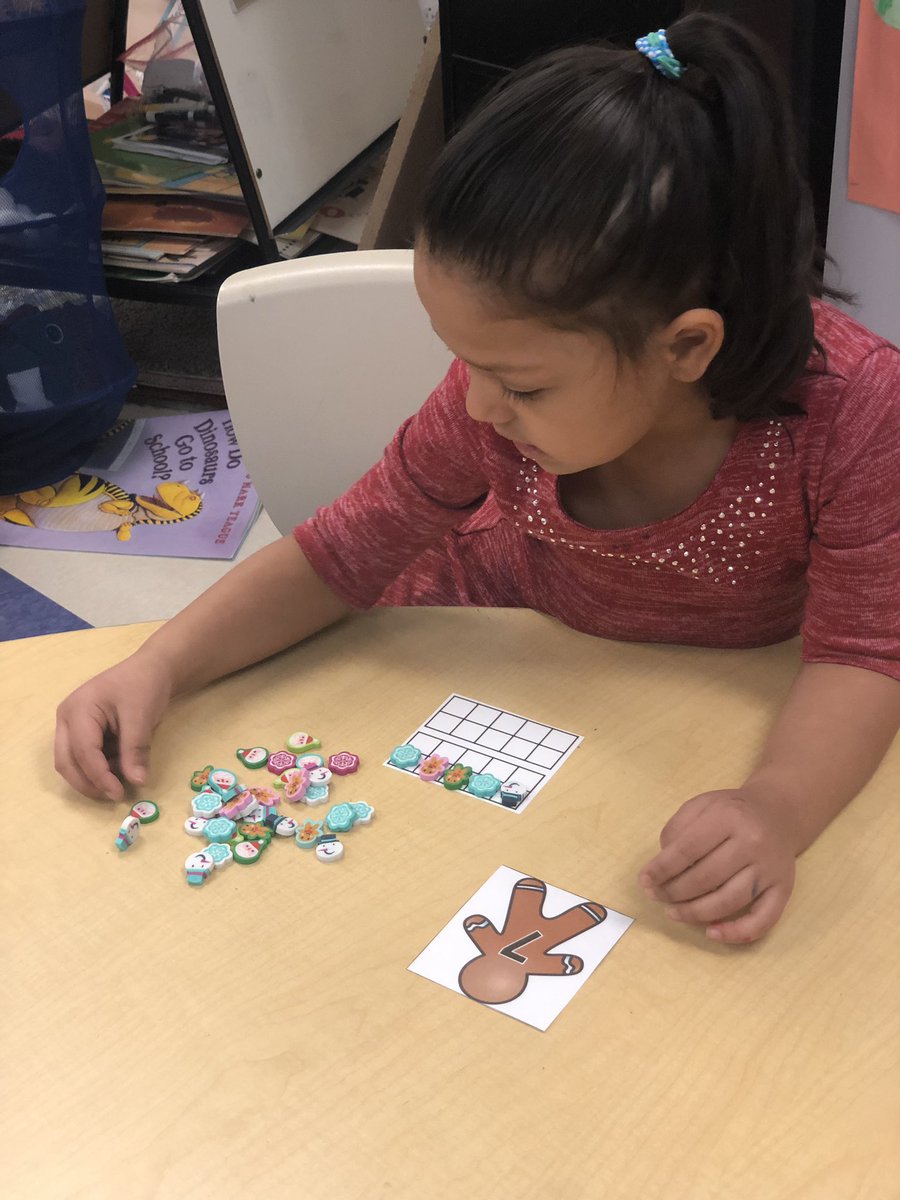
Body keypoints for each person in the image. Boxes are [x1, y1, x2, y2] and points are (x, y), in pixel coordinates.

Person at [55, 16, 900, 945]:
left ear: (687, 347)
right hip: (495, 645)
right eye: (463, 360)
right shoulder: (490, 400)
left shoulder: (858, 413)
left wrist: (777, 806)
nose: (478, 404)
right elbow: (339, 553)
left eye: (522, 384)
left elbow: (863, 654)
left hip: (712, 701)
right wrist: (159, 665)